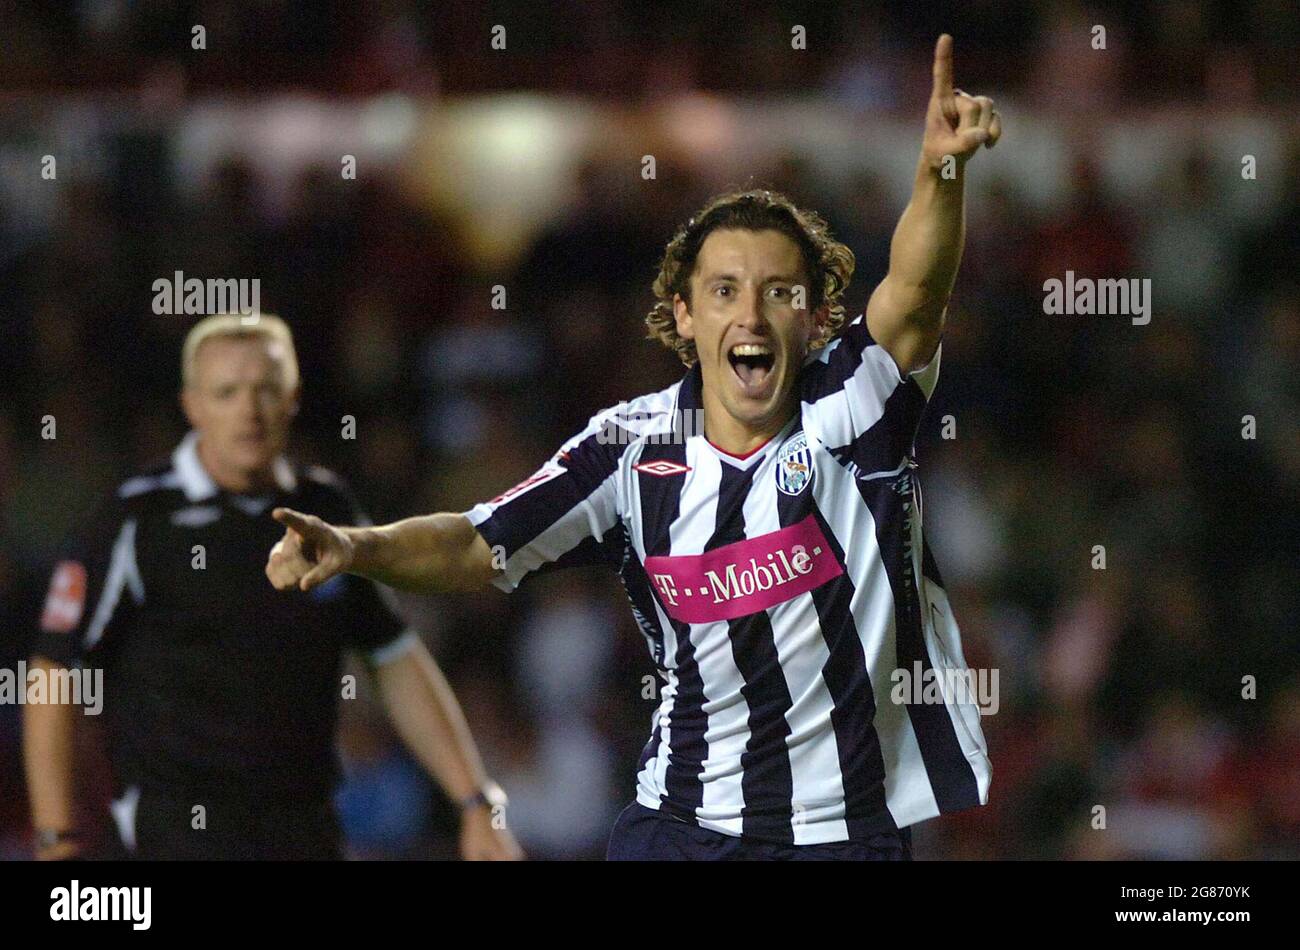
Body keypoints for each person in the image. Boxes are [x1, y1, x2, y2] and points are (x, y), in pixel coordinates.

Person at [266, 35, 999, 860]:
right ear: (685, 316)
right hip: (679, 832)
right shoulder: (627, 447)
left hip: (841, 838)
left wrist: (941, 170)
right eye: (724, 291)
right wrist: (357, 546)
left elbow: (917, 290)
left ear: (817, 318)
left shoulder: (857, 397)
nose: (750, 315)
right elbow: (478, 542)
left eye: (779, 292)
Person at [25, 312, 522, 861]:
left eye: (266, 389)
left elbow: (394, 654)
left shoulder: (326, 509)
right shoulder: (137, 519)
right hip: (172, 839)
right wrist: (56, 837)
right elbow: (53, 672)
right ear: (192, 405)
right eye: (227, 392)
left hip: (306, 834)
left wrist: (477, 802)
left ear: (294, 397)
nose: (249, 410)